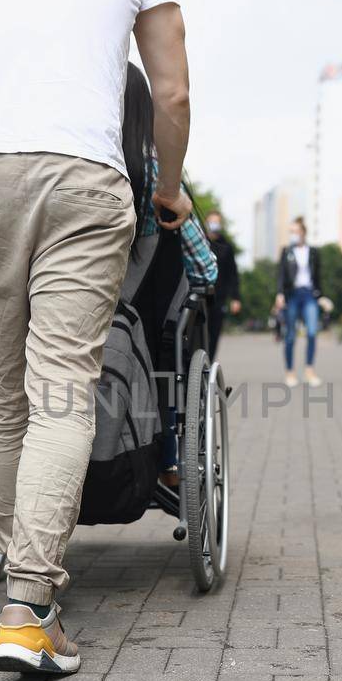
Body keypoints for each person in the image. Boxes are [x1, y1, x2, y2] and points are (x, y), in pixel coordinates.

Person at [0, 0, 192, 676]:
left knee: (1, 385)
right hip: (84, 175)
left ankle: (25, 580)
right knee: (63, 389)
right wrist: (171, 192)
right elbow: (171, 94)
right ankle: (30, 605)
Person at [122, 65, 215, 489]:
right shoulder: (163, 181)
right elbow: (204, 268)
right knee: (168, 345)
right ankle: (166, 460)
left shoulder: (75, 171)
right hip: (149, 342)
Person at [273, 217, 322, 387]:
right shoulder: (286, 251)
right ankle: (290, 372)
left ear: (303, 232)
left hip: (309, 294)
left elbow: (318, 276)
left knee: (312, 332)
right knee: (290, 335)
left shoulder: (313, 252)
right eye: (291, 232)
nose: (293, 234)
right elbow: (280, 275)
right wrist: (279, 294)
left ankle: (309, 371)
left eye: (296, 231)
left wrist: (321, 296)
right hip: (292, 295)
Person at [203, 212, 240, 359]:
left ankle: (208, 366)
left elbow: (233, 274)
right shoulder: (200, 242)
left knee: (214, 333)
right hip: (200, 295)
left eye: (217, 222)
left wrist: (235, 298)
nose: (214, 225)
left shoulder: (227, 247)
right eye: (212, 221)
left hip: (219, 298)